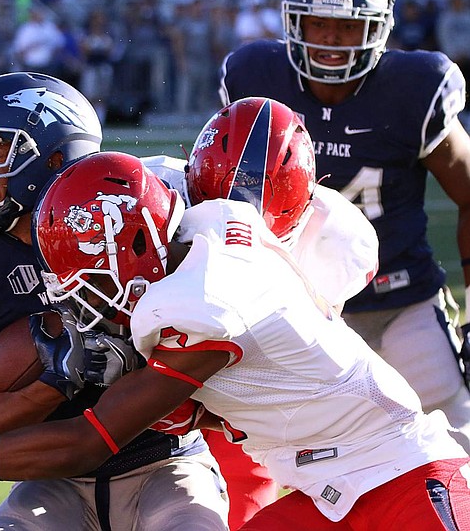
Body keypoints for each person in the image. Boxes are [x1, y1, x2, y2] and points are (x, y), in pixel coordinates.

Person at [0, 150, 470, 531]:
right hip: (324, 492)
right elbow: (136, 179)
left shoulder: (203, 301)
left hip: (406, 474)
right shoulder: (192, 220)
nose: (78, 295)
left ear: (135, 248)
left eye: (87, 273)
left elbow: (86, 441)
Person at [0, 72, 229, 530]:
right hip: (52, 475)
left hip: (166, 462)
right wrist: (55, 382)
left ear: (55, 155)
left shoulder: (141, 210)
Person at [218, 0, 470, 452]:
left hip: (400, 298)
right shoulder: (256, 77)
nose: (330, 39)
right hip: (292, 308)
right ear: (294, 22)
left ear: (378, 27)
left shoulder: (413, 89)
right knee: (294, 450)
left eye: (348, 26)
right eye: (318, 23)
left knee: (451, 438)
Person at [140, 96, 379, 527]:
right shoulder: (150, 193)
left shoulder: (337, 241)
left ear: (305, 204)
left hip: (244, 397)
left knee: (243, 503)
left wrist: (201, 412)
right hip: (149, 373)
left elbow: (296, 363)